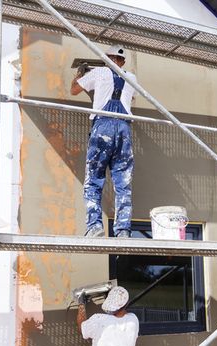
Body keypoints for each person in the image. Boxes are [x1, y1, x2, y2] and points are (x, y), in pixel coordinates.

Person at [71, 45, 137, 238]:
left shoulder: (99, 72)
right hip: (123, 129)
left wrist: (79, 75)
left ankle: (94, 226)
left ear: (107, 58)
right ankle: (123, 230)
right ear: (122, 61)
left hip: (103, 127)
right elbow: (131, 99)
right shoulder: (131, 78)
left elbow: (74, 90)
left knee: (94, 180)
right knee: (123, 182)